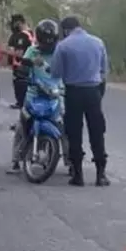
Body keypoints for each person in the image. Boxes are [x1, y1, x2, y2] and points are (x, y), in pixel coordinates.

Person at [50, 15, 109, 187]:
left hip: (73, 92)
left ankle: (78, 174)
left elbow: (56, 73)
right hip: (93, 92)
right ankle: (101, 174)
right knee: (97, 131)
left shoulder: (63, 46)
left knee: (74, 133)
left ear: (65, 30)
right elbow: (104, 70)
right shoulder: (98, 42)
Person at [9, 19, 65, 174]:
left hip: (56, 95)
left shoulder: (61, 53)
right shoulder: (32, 51)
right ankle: (15, 159)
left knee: (65, 127)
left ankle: (71, 161)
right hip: (34, 94)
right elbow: (23, 68)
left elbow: (68, 71)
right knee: (22, 126)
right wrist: (24, 71)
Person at [7, 13, 35, 109]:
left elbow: (19, 53)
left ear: (19, 23)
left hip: (21, 65)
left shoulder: (22, 35)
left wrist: (5, 52)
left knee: (20, 85)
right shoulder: (31, 34)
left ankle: (21, 103)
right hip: (27, 65)